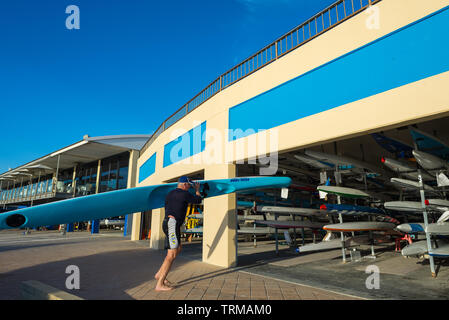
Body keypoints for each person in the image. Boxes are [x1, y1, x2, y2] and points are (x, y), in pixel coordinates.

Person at [154, 176, 203, 291]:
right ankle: (160, 284)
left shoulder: (170, 194)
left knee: (178, 248)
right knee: (171, 255)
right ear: (185, 185)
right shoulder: (184, 194)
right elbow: (198, 200)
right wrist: (197, 190)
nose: (189, 187)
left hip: (168, 223)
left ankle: (159, 274)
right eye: (189, 185)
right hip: (172, 224)